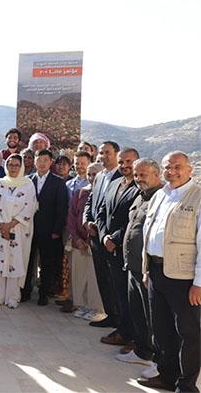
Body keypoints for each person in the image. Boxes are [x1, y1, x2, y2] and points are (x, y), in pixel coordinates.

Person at [138, 151, 201, 392]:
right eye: (167, 167)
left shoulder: (197, 197)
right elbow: (149, 233)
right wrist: (146, 269)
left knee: (188, 332)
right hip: (156, 270)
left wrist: (199, 282)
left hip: (183, 278)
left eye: (177, 167)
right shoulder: (160, 195)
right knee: (161, 329)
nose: (171, 171)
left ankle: (187, 385)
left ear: (189, 170)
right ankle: (167, 375)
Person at [116, 159, 162, 374]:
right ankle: (142, 351)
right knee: (138, 312)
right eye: (136, 175)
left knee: (153, 316)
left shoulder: (161, 199)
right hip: (132, 264)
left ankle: (159, 361)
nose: (139, 178)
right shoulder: (139, 197)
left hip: (148, 269)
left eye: (143, 174)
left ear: (156, 174)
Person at [98, 148, 140, 347]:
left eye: (129, 162)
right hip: (109, 247)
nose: (124, 166)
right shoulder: (114, 183)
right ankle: (123, 330)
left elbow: (136, 220)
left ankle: (132, 335)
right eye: (121, 162)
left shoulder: (140, 187)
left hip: (127, 249)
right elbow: (102, 211)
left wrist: (114, 238)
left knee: (129, 296)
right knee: (118, 293)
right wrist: (103, 236)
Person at [0, 154, 37, 308]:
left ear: (21, 166)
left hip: (19, 230)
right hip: (0, 228)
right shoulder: (0, 183)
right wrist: (3, 225)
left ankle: (12, 298)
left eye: (16, 165)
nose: (13, 168)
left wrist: (11, 225)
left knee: (15, 263)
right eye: (10, 165)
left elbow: (29, 207)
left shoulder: (28, 184)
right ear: (6, 166)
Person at [83, 141, 122, 328]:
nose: (104, 156)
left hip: (113, 240)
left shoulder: (122, 177)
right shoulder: (99, 177)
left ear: (116, 154)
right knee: (102, 279)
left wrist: (110, 235)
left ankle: (121, 322)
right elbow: (91, 202)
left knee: (115, 282)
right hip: (96, 236)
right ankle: (110, 315)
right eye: (101, 153)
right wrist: (86, 220)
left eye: (108, 152)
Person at [24, 149, 68, 306]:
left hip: (49, 230)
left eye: (45, 160)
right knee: (28, 261)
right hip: (28, 229)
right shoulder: (27, 180)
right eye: (39, 159)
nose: (41, 163)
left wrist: (57, 230)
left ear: (51, 163)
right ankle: (25, 291)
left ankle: (44, 293)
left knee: (46, 263)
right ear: (34, 161)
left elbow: (62, 208)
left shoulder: (58, 182)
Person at [67, 162, 105, 320]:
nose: (91, 178)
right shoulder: (81, 192)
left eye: (95, 174)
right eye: (89, 174)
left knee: (94, 278)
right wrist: (76, 238)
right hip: (78, 242)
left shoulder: (105, 193)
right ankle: (82, 305)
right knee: (79, 276)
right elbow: (72, 216)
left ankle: (96, 308)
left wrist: (90, 240)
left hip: (94, 244)